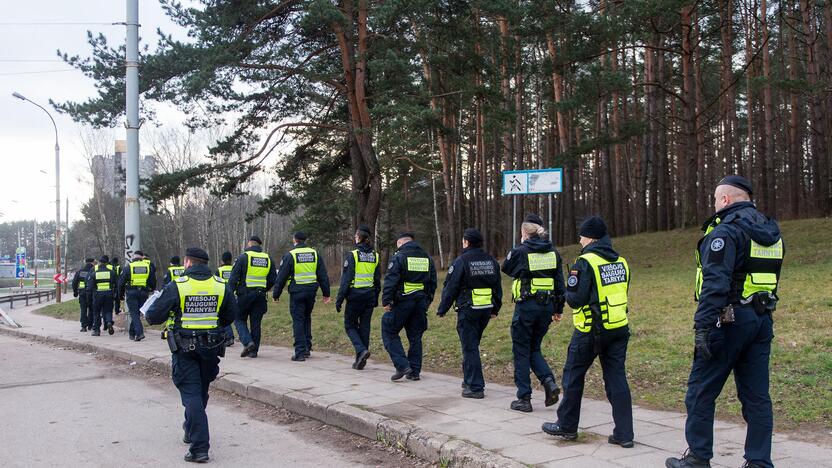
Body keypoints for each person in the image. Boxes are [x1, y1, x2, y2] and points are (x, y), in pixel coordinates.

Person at [666, 176, 783, 468]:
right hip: (762, 319)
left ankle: (698, 457)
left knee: (701, 390)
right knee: (757, 396)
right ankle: (758, 461)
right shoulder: (771, 233)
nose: (715, 205)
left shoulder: (726, 233)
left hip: (729, 320)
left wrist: (704, 328)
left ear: (726, 200)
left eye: (716, 200)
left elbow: (715, 284)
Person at [542, 216, 634, 448]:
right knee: (617, 379)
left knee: (573, 376)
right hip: (618, 327)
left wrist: (565, 292)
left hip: (590, 330)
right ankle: (624, 434)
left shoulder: (585, 262)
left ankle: (567, 426)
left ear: (591, 238)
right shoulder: (621, 261)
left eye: (582, 235)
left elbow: (576, 299)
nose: (579, 239)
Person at [144, 247, 237, 464]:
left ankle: (199, 448)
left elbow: (153, 316)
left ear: (187, 263)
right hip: (211, 348)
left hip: (185, 348)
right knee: (200, 391)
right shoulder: (220, 285)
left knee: (192, 394)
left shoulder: (178, 286)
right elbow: (230, 315)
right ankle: (190, 429)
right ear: (205, 263)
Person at [501, 214, 565, 413]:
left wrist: (520, 246)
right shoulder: (553, 252)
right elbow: (560, 284)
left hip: (527, 307)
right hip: (546, 307)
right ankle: (548, 381)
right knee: (534, 348)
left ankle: (524, 398)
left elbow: (506, 267)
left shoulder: (521, 251)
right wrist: (558, 309)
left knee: (521, 350)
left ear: (524, 233)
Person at [437, 228, 502, 399]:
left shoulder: (461, 261)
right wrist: (495, 308)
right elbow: (497, 287)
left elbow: (451, 287)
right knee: (472, 345)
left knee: (470, 347)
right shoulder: (491, 261)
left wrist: (442, 308)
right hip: (485, 310)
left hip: (468, 309)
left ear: (466, 242)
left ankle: (475, 387)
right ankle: (468, 380)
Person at [381, 231, 437, 381]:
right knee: (415, 337)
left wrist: (386, 301)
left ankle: (402, 365)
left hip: (402, 302)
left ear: (400, 243)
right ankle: (414, 372)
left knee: (389, 330)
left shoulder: (399, 257)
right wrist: (428, 301)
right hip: (420, 303)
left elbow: (391, 280)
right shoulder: (427, 258)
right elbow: (433, 282)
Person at [273, 231, 331, 361]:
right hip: (311, 292)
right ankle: (306, 348)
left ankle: (299, 352)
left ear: (295, 240)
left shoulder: (290, 255)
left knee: (298, 320)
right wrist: (326, 293)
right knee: (307, 318)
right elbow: (323, 275)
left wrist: (276, 294)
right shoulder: (314, 254)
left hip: (297, 292)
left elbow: (281, 277)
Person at [335, 225, 381, 370]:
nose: (354, 238)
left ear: (359, 238)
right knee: (365, 327)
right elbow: (377, 279)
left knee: (350, 325)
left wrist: (340, 299)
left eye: (355, 236)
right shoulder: (375, 255)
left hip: (355, 296)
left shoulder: (353, 255)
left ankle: (361, 351)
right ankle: (360, 360)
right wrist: (376, 297)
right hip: (369, 295)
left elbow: (346, 280)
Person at [228, 236, 277, 358]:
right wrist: (264, 288)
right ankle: (254, 351)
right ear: (259, 245)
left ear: (249, 244)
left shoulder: (243, 257)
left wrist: (229, 294)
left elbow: (234, 278)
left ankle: (247, 342)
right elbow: (272, 279)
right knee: (256, 323)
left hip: (244, 295)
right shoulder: (268, 258)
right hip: (260, 295)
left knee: (238, 319)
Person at [119, 250, 156, 341]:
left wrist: (120, 295)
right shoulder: (147, 267)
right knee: (137, 313)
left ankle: (140, 333)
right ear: (142, 257)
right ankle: (132, 333)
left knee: (134, 314)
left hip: (131, 292)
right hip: (143, 293)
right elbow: (153, 280)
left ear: (134, 257)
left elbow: (121, 282)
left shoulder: (129, 267)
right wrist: (151, 289)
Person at [85, 255, 116, 336]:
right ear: (106, 263)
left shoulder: (94, 273)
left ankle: (97, 330)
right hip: (109, 294)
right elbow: (116, 284)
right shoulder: (111, 272)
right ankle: (109, 322)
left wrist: (89, 297)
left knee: (97, 312)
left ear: (99, 263)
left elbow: (89, 287)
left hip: (97, 295)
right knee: (108, 310)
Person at [215, 251, 236, 346]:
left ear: (222, 260)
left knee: (222, 316)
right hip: (235, 295)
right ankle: (228, 336)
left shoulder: (219, 270)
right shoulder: (234, 269)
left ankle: (228, 336)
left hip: (223, 296)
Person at [72, 257, 95, 332]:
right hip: (91, 293)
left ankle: (84, 326)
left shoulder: (80, 272)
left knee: (83, 309)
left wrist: (75, 292)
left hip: (82, 293)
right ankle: (90, 325)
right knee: (92, 309)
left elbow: (74, 283)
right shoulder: (94, 271)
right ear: (92, 263)